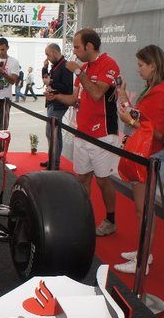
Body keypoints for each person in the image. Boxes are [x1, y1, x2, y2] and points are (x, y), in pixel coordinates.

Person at [113, 45, 164, 274]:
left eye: (141, 65)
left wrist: (131, 121)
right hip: (146, 153)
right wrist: (124, 100)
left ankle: (142, 262)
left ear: (153, 65)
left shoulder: (162, 91)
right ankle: (144, 253)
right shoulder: (155, 89)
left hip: (150, 155)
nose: (138, 70)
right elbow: (143, 119)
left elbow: (157, 131)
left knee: (144, 212)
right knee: (141, 211)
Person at [45, 29, 121, 236]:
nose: (74, 51)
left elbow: (96, 94)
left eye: (77, 47)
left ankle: (110, 220)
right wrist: (56, 96)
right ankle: (84, 217)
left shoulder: (109, 64)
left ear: (89, 46)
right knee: (82, 178)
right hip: (83, 133)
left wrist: (79, 72)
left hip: (104, 133)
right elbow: (74, 100)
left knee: (103, 179)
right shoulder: (85, 67)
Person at [40, 43, 74, 169]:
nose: (47, 57)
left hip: (59, 104)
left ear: (54, 52)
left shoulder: (65, 66)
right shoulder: (55, 65)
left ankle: (55, 163)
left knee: (52, 133)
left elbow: (67, 88)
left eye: (48, 55)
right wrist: (44, 68)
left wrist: (52, 82)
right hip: (52, 102)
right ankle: (52, 160)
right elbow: (46, 80)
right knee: (52, 133)